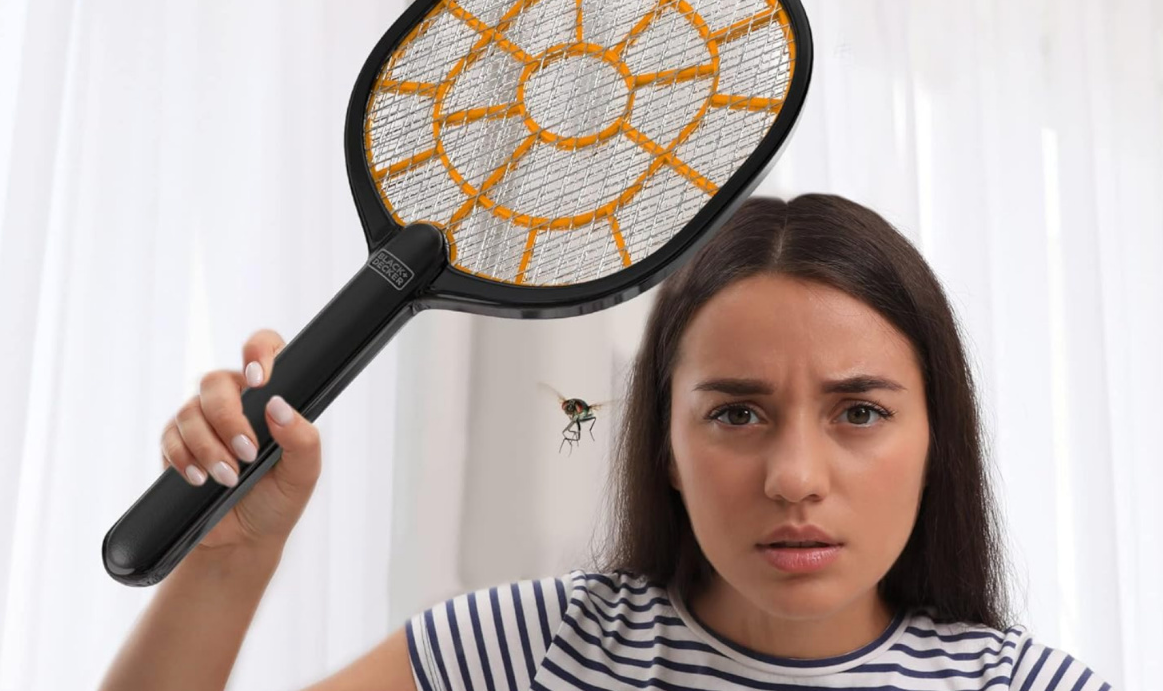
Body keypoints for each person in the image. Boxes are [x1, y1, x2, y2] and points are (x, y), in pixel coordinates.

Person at [99, 194, 1114, 691]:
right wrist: (231, 557)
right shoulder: (532, 648)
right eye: (735, 412)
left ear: (940, 439)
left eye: (860, 412)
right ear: (664, 442)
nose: (796, 478)